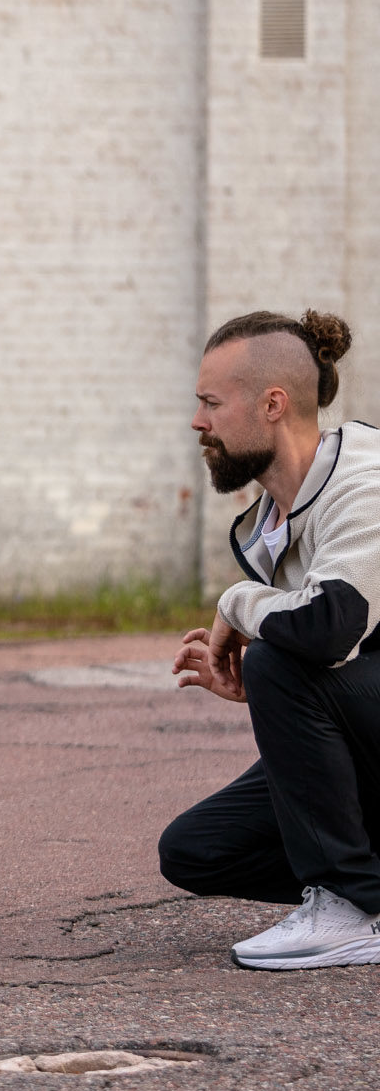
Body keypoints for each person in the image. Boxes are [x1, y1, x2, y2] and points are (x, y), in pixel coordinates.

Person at [160, 309, 380, 969]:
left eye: (211, 403)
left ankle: (352, 906)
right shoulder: (270, 524)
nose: (197, 422)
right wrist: (262, 687)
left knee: (279, 658)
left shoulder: (364, 483)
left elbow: (331, 626)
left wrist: (239, 604)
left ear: (272, 405)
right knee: (195, 850)